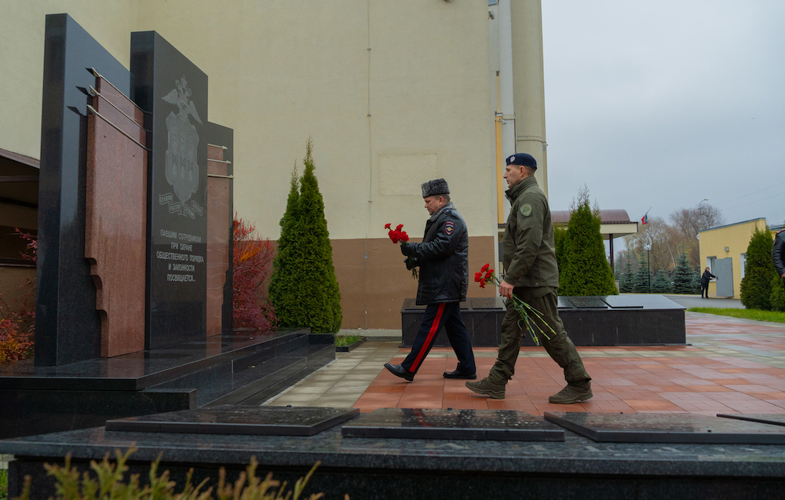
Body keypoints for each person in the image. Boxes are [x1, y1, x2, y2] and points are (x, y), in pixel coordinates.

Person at [465, 153, 592, 403]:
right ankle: (497, 382)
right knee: (511, 331)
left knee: (550, 333)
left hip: (535, 282)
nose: (504, 175)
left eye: (508, 170)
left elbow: (530, 243)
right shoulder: (523, 198)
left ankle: (579, 382)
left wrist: (510, 278)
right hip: (525, 281)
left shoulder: (530, 198)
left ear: (522, 171)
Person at [384, 179, 477, 382]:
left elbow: (441, 247)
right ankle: (467, 367)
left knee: (430, 326)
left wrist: (412, 248)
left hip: (445, 285)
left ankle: (409, 368)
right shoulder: (441, 218)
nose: (425, 205)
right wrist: (415, 260)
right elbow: (439, 251)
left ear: (440, 199)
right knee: (455, 327)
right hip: (444, 283)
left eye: (427, 201)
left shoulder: (451, 219)